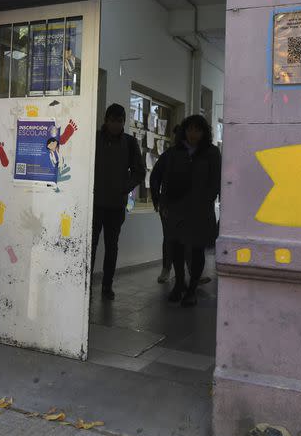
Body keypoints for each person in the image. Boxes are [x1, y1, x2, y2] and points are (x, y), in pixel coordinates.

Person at [156, 115, 221, 307]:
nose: (193, 134)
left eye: (197, 130)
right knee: (176, 246)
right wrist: (164, 203)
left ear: (204, 132)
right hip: (177, 207)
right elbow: (166, 178)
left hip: (200, 209)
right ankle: (179, 284)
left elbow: (215, 181)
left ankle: (192, 289)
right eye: (189, 129)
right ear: (184, 130)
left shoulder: (211, 153)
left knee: (197, 248)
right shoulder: (175, 152)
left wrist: (205, 202)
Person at [92, 103, 145, 300]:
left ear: (124, 122)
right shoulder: (94, 138)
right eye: (112, 120)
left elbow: (140, 171)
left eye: (120, 121)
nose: (115, 124)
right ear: (106, 120)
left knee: (112, 247)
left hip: (116, 205)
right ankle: (86, 285)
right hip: (94, 204)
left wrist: (125, 186)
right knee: (91, 246)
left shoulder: (130, 143)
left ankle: (107, 286)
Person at [150, 125, 179, 284]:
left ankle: (186, 271)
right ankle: (167, 269)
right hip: (168, 204)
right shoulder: (168, 156)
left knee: (184, 239)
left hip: (185, 205)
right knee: (169, 238)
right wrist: (158, 201)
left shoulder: (193, 156)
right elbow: (154, 178)